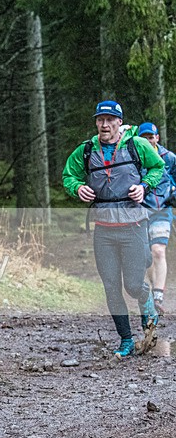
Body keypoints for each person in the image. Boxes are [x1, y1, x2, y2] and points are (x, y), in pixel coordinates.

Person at [63, 101, 165, 357]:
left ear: (120, 122)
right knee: (110, 286)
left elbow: (157, 167)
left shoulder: (137, 145)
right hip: (104, 230)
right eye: (100, 120)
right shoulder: (86, 150)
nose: (105, 125)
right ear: (96, 122)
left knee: (132, 285)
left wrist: (144, 186)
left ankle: (148, 304)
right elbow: (68, 176)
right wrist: (77, 188)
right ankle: (126, 340)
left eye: (110, 120)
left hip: (133, 226)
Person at [137, 122, 176, 313]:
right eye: (144, 138)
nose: (148, 141)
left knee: (158, 251)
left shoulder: (169, 158)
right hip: (140, 211)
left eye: (151, 137)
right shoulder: (134, 158)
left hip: (162, 210)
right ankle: (152, 292)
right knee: (146, 257)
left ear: (157, 138)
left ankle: (158, 296)